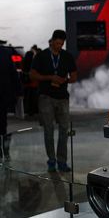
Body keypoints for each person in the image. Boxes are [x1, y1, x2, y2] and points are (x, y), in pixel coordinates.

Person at [30, 30, 77, 173]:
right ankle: (51, 161)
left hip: (63, 97)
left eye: (61, 44)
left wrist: (65, 80)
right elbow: (32, 75)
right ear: (52, 41)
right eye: (57, 43)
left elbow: (74, 76)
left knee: (64, 130)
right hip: (46, 97)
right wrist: (50, 77)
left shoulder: (67, 56)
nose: (59, 46)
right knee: (48, 130)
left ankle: (62, 161)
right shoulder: (41, 56)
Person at [0, 44, 22, 162]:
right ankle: (5, 152)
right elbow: (13, 73)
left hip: (4, 94)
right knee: (3, 124)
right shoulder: (5, 52)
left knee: (3, 124)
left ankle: (3, 152)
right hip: (4, 94)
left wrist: (18, 90)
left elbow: (13, 73)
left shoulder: (5, 52)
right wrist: (18, 91)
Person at [22, 44, 39, 116]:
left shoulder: (27, 55)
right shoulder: (35, 57)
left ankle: (27, 110)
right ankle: (32, 110)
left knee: (27, 96)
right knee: (33, 97)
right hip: (34, 82)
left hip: (27, 82)